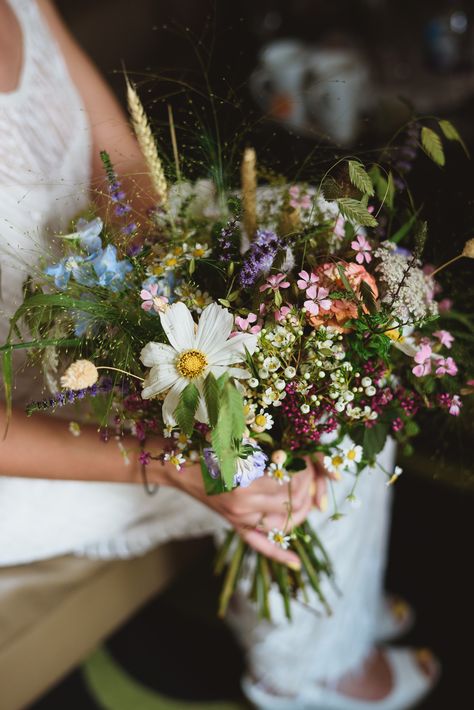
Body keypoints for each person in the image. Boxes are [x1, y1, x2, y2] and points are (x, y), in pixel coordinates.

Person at [0, 2, 439, 707]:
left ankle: (333, 604)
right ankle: (310, 671)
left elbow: (116, 153)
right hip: (35, 421)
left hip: (112, 317)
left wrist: (187, 299)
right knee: (307, 434)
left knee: (327, 330)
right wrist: (177, 463)